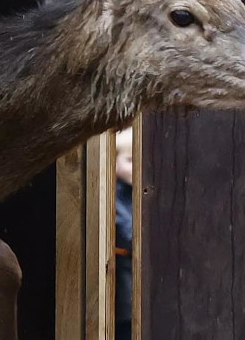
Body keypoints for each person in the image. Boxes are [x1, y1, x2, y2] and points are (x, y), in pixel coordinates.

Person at [115, 127, 134, 340]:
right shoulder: (115, 193)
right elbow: (127, 230)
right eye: (129, 160)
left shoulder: (138, 191)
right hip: (122, 268)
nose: (135, 167)